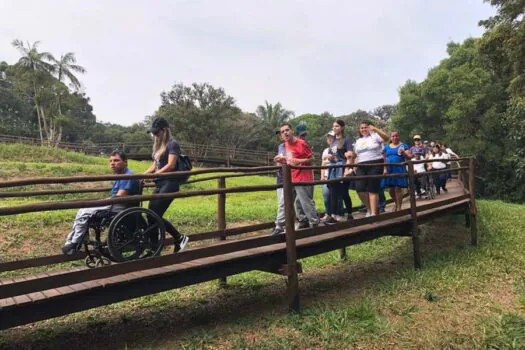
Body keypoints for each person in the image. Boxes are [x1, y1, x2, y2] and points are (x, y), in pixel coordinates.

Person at [62, 151, 140, 255]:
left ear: (125, 162)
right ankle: (72, 240)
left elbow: (120, 196)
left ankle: (75, 242)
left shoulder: (128, 175)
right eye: (111, 161)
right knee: (82, 210)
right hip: (114, 203)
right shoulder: (120, 175)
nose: (112, 163)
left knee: (85, 212)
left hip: (120, 205)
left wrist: (104, 201)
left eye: (116, 160)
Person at [145, 117, 188, 252]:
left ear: (164, 130)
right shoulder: (158, 146)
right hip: (160, 183)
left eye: (157, 132)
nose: (155, 135)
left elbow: (170, 165)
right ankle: (155, 248)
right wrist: (142, 175)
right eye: (153, 133)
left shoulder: (172, 144)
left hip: (169, 183)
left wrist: (157, 174)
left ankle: (179, 238)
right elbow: (155, 165)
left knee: (154, 215)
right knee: (150, 215)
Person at [275, 123, 319, 228]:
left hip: (303, 176)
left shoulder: (302, 143)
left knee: (305, 202)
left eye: (287, 130)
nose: (285, 133)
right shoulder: (284, 146)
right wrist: (281, 160)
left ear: (292, 131)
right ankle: (280, 225)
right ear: (281, 135)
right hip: (291, 177)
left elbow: (312, 159)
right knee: (286, 201)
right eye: (282, 132)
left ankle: (314, 222)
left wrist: (300, 161)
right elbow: (289, 161)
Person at [349, 121, 389, 216]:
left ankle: (374, 214)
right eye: (362, 128)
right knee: (360, 189)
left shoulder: (375, 136)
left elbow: (386, 138)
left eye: (365, 127)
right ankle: (370, 209)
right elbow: (354, 154)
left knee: (372, 189)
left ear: (370, 127)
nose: (363, 129)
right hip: (361, 165)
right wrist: (351, 164)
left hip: (375, 163)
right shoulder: (358, 141)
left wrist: (375, 129)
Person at [325, 120, 354, 223]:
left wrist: (347, 169)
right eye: (333, 126)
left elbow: (350, 155)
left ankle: (350, 213)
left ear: (342, 127)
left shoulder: (347, 140)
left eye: (337, 126)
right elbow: (332, 155)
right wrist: (329, 157)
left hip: (342, 168)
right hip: (333, 168)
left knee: (344, 192)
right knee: (333, 191)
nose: (334, 128)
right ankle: (333, 216)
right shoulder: (332, 141)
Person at [383, 131, 412, 211]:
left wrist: (403, 153)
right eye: (393, 136)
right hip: (389, 169)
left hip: (399, 169)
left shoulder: (403, 146)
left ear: (398, 136)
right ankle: (396, 203)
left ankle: (399, 207)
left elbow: (409, 157)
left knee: (397, 188)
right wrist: (385, 169)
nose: (394, 138)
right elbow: (384, 159)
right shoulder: (386, 147)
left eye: (396, 136)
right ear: (390, 137)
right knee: (391, 190)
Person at [320, 131, 342, 224]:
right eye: (328, 137)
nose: (329, 139)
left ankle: (338, 214)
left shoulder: (338, 148)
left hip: (335, 175)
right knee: (326, 196)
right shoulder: (325, 150)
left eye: (331, 137)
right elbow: (322, 164)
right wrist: (322, 176)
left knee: (337, 196)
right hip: (326, 175)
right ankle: (328, 214)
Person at [271, 131, 286, 236]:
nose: (283, 135)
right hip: (280, 177)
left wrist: (283, 160)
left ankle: (279, 225)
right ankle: (285, 223)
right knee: (282, 203)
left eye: (285, 132)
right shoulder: (281, 146)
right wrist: (277, 160)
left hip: (289, 178)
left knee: (283, 203)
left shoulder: (292, 146)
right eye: (280, 133)